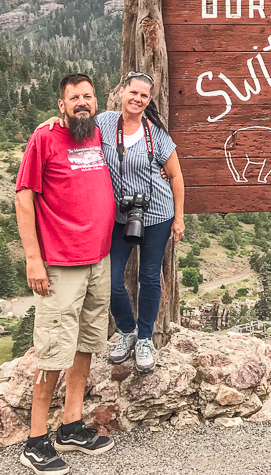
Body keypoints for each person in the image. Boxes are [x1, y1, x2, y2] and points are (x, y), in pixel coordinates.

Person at [42, 71, 185, 373]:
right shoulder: (105, 123)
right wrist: (51, 121)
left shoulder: (157, 134)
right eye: (133, 92)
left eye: (144, 96)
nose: (137, 99)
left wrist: (179, 218)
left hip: (157, 213)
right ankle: (127, 330)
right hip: (119, 215)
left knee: (148, 276)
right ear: (121, 92)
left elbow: (176, 176)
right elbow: (73, 124)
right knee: (111, 280)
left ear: (149, 100)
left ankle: (145, 338)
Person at [15, 73, 116, 475]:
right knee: (53, 351)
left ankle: (71, 426)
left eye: (87, 96)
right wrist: (33, 260)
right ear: (61, 105)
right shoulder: (44, 139)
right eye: (73, 98)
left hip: (98, 260)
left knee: (85, 345)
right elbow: (24, 200)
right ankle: (36, 441)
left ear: (96, 101)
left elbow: (134, 118)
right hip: (59, 264)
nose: (81, 103)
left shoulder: (96, 133)